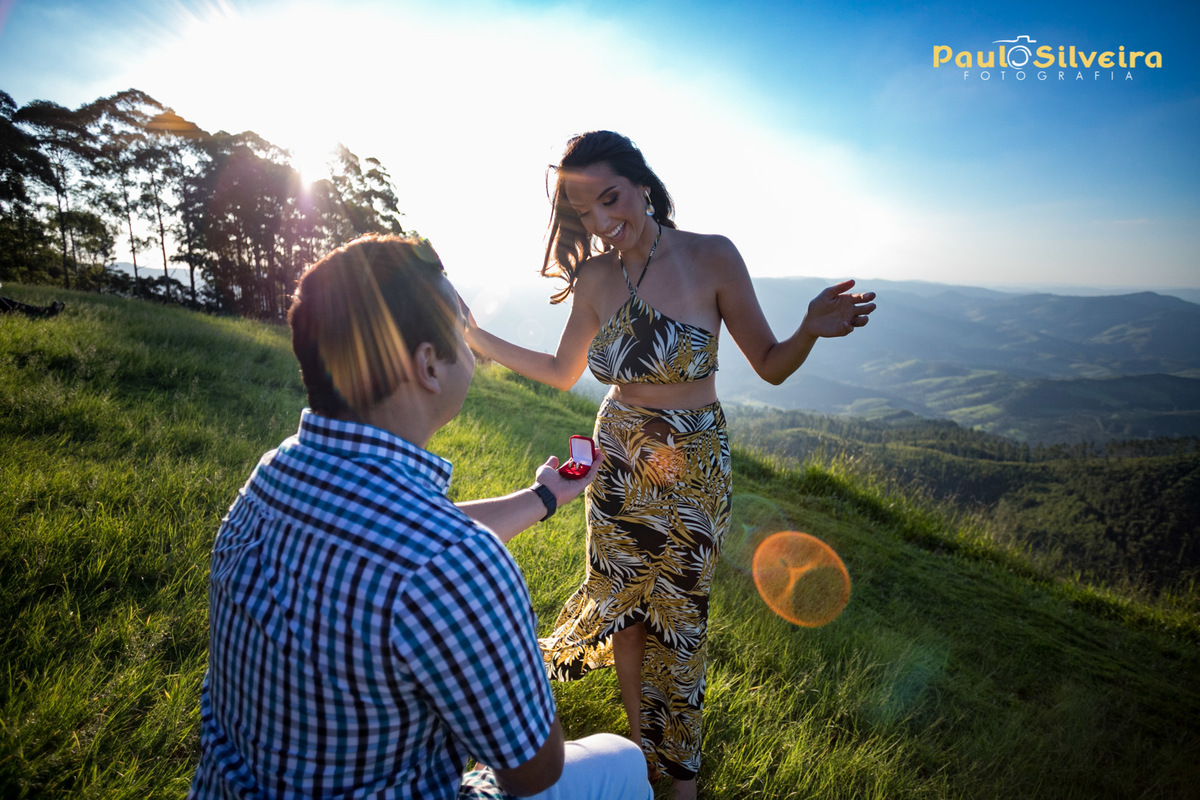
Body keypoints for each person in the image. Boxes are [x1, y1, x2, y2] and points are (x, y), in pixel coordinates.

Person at [463, 131, 877, 799]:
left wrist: (807, 329)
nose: (602, 222)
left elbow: (770, 365)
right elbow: (563, 370)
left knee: (679, 621)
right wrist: (475, 338)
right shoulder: (595, 276)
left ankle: (678, 779)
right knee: (624, 607)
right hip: (619, 460)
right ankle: (641, 755)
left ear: (643, 186)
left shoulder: (713, 257)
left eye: (611, 199)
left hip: (693, 468)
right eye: (585, 212)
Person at [189, 234, 652, 800]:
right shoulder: (456, 566)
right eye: (462, 336)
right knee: (623, 761)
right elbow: (534, 772)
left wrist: (544, 497)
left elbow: (396, 537)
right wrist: (501, 653)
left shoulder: (276, 473)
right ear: (429, 365)